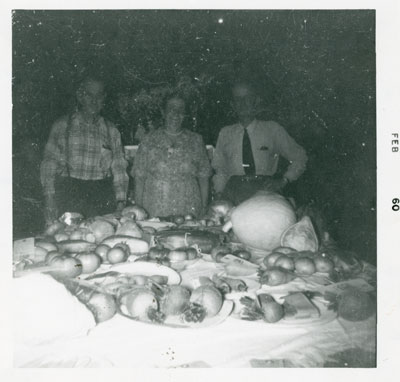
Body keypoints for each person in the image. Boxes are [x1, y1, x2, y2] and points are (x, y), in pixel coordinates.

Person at [40, 77, 129, 224]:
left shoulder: (111, 130)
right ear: (80, 96)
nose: (94, 100)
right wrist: (49, 199)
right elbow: (49, 164)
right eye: (89, 95)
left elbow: (119, 169)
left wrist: (121, 203)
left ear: (104, 98)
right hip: (69, 197)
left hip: (101, 199)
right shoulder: (62, 126)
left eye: (99, 95)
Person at [212, 81, 308, 205]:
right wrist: (219, 194)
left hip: (265, 191)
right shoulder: (225, 133)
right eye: (238, 100)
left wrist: (284, 180)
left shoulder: (272, 129)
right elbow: (220, 169)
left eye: (248, 99)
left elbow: (300, 157)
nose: (243, 104)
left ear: (256, 102)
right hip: (234, 192)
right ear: (233, 105)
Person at [132, 95, 211, 218]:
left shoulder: (196, 140)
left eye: (181, 109)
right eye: (171, 108)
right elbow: (139, 177)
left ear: (185, 114)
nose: (176, 113)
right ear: (163, 112)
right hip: (154, 210)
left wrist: (205, 208)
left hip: (189, 210)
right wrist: (138, 210)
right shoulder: (148, 140)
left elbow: (204, 176)